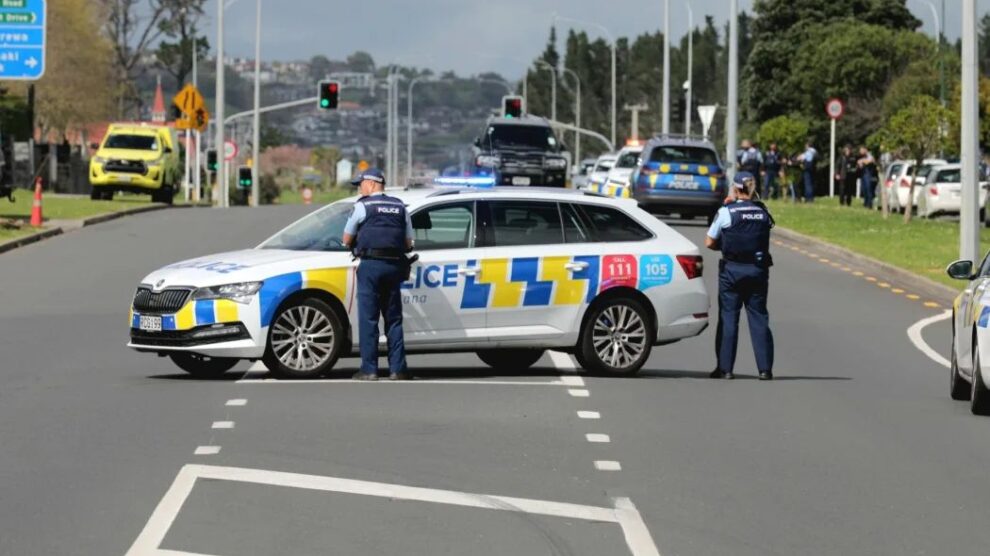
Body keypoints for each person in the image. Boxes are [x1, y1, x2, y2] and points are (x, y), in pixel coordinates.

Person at [342, 168, 415, 381]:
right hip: (394, 267)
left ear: (372, 183)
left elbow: (346, 239)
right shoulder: (400, 206)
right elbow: (408, 242)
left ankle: (369, 369)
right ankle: (398, 369)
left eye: (361, 184)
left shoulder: (362, 206)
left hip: (370, 266)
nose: (359, 188)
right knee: (394, 319)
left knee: (369, 319)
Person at [706, 171, 775, 381]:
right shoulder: (763, 212)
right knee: (759, 317)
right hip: (757, 270)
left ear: (735, 189)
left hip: (732, 271)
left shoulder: (727, 212)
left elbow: (709, 242)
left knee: (728, 317)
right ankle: (765, 369)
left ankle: (725, 369)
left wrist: (724, 245)